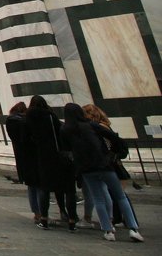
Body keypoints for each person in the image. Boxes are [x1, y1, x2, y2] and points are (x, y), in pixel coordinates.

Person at [61, 103, 143, 242]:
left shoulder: (65, 129)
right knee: (120, 196)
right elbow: (114, 137)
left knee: (98, 198)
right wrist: (112, 154)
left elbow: (66, 150)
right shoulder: (91, 125)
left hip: (86, 168)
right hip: (104, 165)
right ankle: (133, 229)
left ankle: (108, 230)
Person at [25, 95, 77, 230]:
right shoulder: (50, 116)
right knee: (67, 188)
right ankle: (70, 219)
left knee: (44, 188)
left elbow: (26, 138)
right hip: (58, 155)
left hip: (41, 157)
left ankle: (43, 218)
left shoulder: (28, 118)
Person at [6, 101, 40, 224]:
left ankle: (37, 212)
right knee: (39, 185)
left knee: (31, 186)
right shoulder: (25, 122)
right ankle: (41, 212)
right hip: (33, 157)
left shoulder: (10, 121)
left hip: (21, 158)